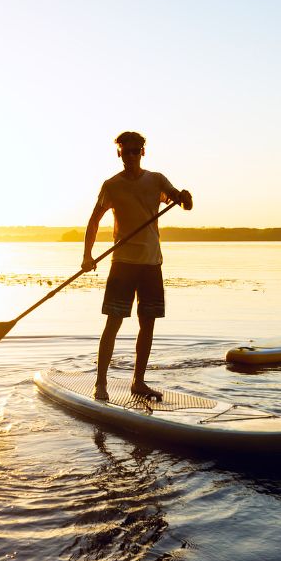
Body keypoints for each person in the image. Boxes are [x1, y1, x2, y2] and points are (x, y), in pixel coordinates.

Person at [82, 131, 193, 401]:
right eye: (125, 151)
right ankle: (101, 384)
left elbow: (184, 204)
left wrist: (186, 197)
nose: (130, 156)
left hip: (151, 263)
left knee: (148, 323)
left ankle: (138, 381)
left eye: (135, 151)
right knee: (114, 323)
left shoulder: (156, 180)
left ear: (143, 152)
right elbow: (94, 220)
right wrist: (87, 255)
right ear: (118, 153)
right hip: (123, 263)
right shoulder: (111, 185)